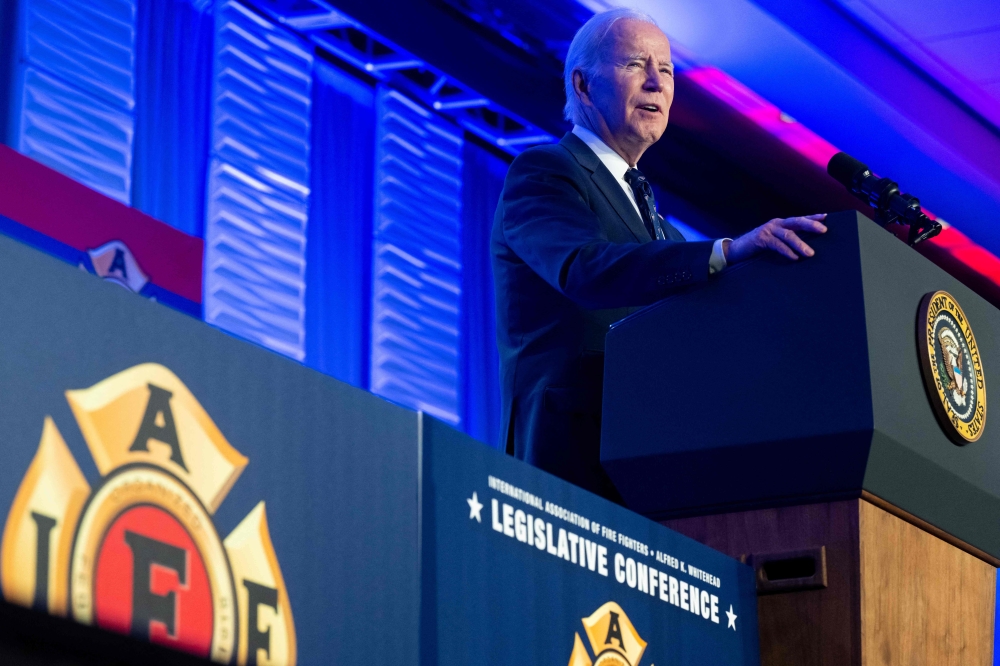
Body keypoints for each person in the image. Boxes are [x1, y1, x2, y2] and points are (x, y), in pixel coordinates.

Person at [491, 7, 828, 501]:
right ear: (582, 86)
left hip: (653, 465)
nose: (656, 83)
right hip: (569, 459)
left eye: (666, 70)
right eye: (635, 64)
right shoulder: (545, 172)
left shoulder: (662, 229)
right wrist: (726, 251)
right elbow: (584, 268)